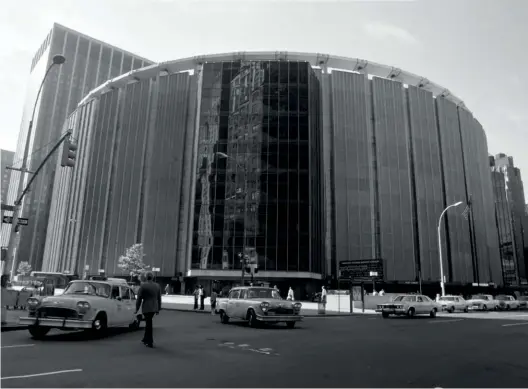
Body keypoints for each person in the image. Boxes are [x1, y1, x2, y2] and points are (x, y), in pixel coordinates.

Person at [135, 271, 161, 348]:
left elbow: (139, 298)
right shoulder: (157, 285)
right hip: (154, 307)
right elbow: (159, 298)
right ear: (152, 277)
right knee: (148, 322)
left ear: (146, 277)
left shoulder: (143, 286)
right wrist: (158, 308)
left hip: (146, 306)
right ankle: (145, 339)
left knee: (148, 324)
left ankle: (149, 341)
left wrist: (137, 308)